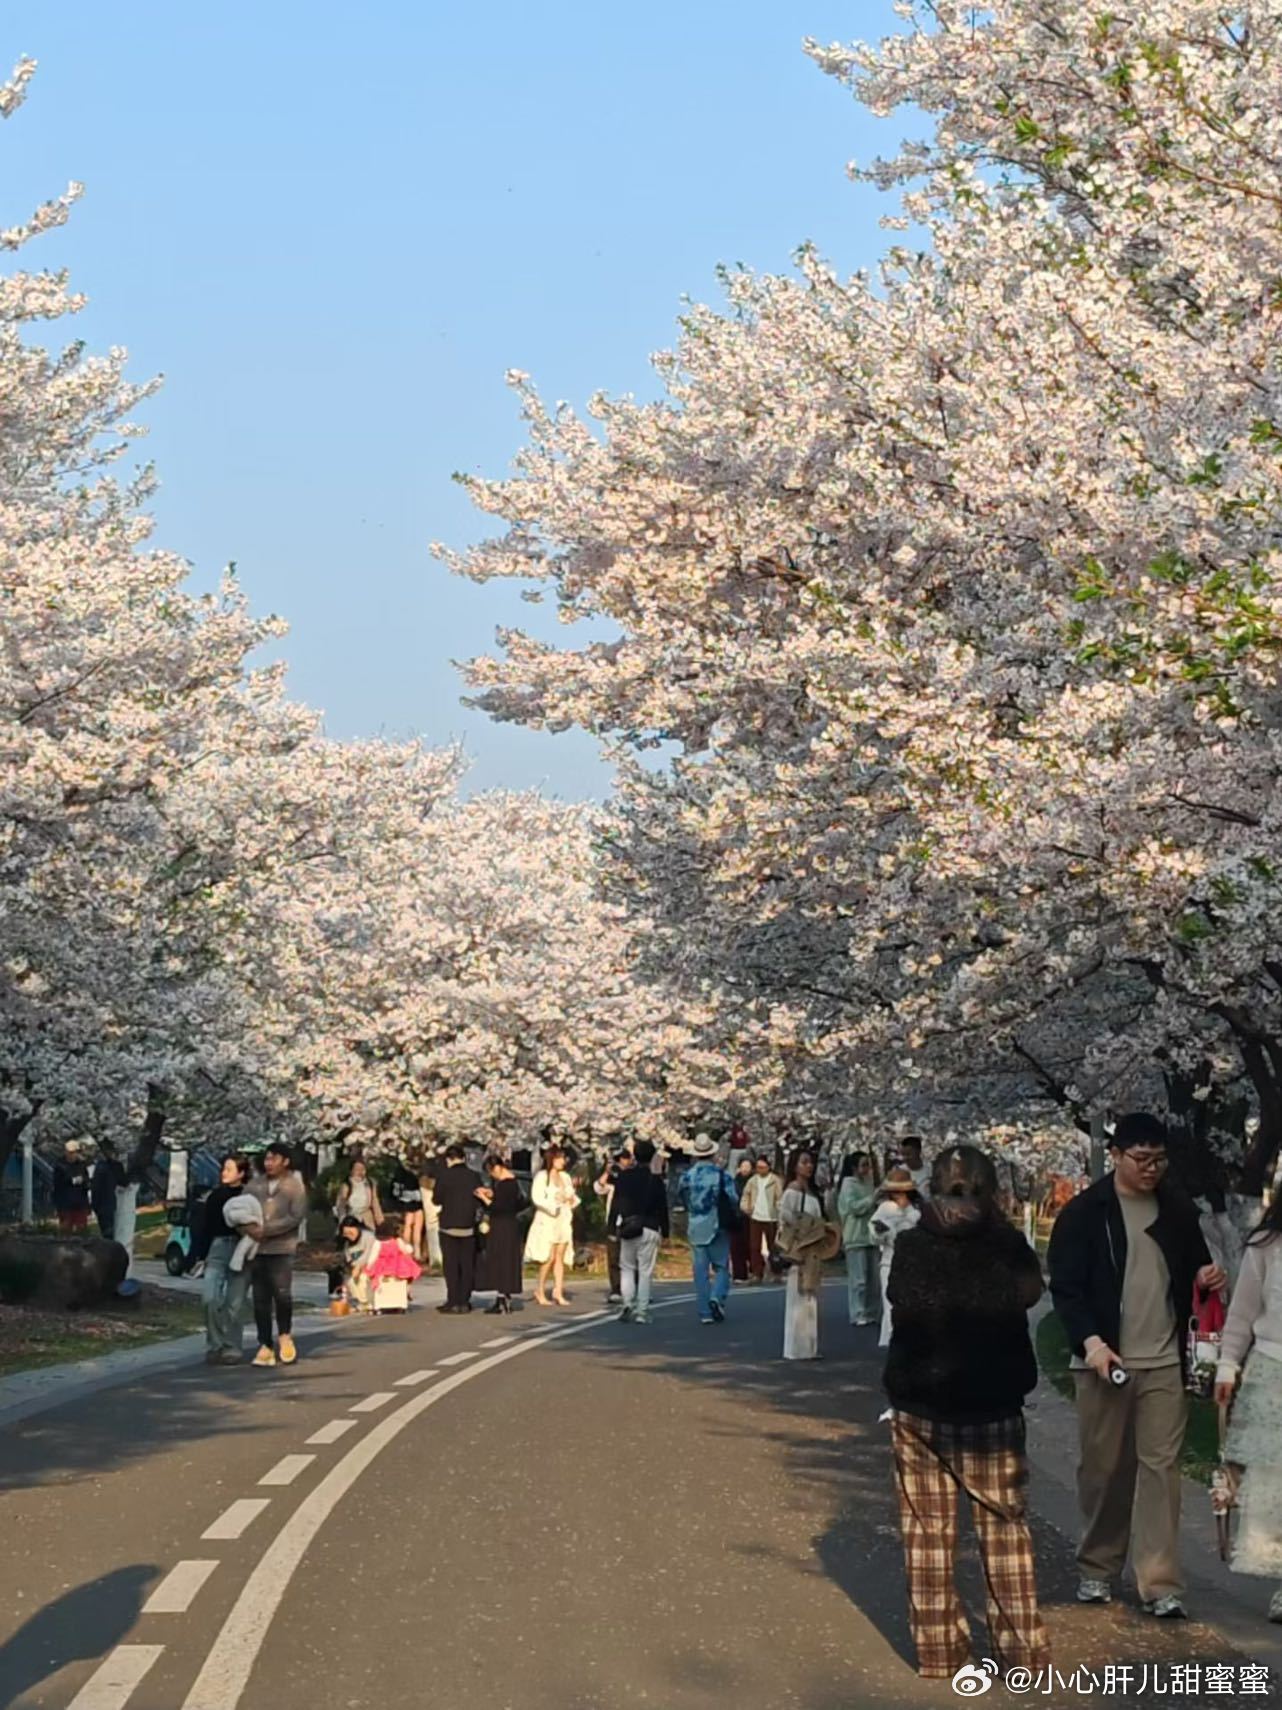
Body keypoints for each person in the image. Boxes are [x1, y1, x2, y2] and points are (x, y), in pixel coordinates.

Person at [1048, 1111, 1226, 1618]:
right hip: (1105, 1360)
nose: (1151, 1169)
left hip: (1163, 1360)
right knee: (1104, 1470)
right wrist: (1092, 1345)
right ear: (1116, 1155)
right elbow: (1067, 1289)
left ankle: (1160, 1582)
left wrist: (1209, 1278)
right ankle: (1097, 1569)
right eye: (1141, 1159)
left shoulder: (1175, 1209)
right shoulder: (1086, 1213)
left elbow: (1191, 1268)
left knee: (1160, 1471)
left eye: (1160, 1160)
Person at [884, 1145, 1050, 1681]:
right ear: (990, 1188)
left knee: (927, 1536)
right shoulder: (1008, 1244)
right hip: (993, 1410)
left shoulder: (912, 1244)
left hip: (920, 1411)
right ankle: (1022, 1651)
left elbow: (900, 1297)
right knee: (1005, 1532)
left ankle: (940, 1653)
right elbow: (1028, 1293)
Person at [1215, 1196, 1282, 1624]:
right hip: (1272, 1372)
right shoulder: (1267, 1246)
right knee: (1274, 1486)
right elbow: (1242, 1312)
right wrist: (1227, 1364)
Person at [189, 1154, 256, 1364]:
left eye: (229, 1169)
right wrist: (199, 1255)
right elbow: (205, 1227)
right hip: (218, 1247)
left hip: (243, 1248)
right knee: (210, 1297)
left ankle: (231, 1347)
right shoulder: (216, 1196)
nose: (224, 1173)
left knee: (234, 1302)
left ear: (241, 1173)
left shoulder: (251, 1196)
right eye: (223, 1169)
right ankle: (214, 1343)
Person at [247, 1143, 308, 1368]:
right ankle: (265, 1344)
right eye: (267, 1159)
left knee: (282, 1294)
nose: (269, 1163)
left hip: (281, 1249)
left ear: (285, 1161)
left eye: (274, 1159)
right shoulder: (254, 1185)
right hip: (256, 1249)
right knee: (260, 1299)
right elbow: (240, 1209)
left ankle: (285, 1335)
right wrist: (249, 1229)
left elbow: (296, 1216)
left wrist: (267, 1229)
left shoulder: (295, 1186)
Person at [676, 1133, 737, 1325]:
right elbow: (733, 1198)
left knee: (700, 1271)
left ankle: (704, 1312)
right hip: (718, 1223)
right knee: (721, 1267)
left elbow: (682, 1200)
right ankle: (717, 1297)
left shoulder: (687, 1177)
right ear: (712, 1153)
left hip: (696, 1225)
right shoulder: (722, 1175)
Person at [776, 1147, 831, 1360]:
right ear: (795, 1165)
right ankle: (796, 1348)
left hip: (813, 1248)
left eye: (810, 1162)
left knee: (811, 1295)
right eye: (804, 1162)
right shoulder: (792, 1190)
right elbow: (785, 1218)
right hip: (800, 1247)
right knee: (798, 1293)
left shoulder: (812, 1192)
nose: (809, 1166)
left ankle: (810, 1346)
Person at [609, 1139, 669, 1322]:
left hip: (629, 1226)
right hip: (650, 1227)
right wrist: (666, 1231)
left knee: (626, 1267)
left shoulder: (624, 1177)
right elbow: (663, 1207)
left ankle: (627, 1302)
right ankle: (642, 1311)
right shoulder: (655, 1180)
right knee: (645, 1271)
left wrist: (612, 1227)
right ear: (652, 1157)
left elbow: (616, 1203)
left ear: (634, 1155)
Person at [872, 1167, 922, 1347]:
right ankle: (892, 1339)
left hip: (913, 1262)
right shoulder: (885, 1208)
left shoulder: (916, 1210)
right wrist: (883, 1232)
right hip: (889, 1260)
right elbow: (873, 1231)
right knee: (890, 1303)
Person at [433, 1142, 485, 1313]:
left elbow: (437, 1199)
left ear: (449, 1159)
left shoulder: (444, 1175)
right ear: (463, 1158)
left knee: (451, 1265)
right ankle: (464, 1301)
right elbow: (479, 1199)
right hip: (468, 1226)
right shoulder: (474, 1176)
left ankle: (452, 1300)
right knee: (467, 1264)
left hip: (448, 1226)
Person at [527, 1143, 579, 1307]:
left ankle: (558, 1290)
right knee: (548, 1257)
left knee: (560, 1257)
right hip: (548, 1220)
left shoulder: (565, 1177)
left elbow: (571, 1195)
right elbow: (537, 1198)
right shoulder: (542, 1176)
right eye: (559, 1158)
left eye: (563, 1158)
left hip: (563, 1218)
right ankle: (540, 1289)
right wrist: (554, 1202)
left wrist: (570, 1200)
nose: (562, 1161)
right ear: (551, 1159)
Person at [477, 1153, 525, 1314]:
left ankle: (502, 1298)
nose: (492, 1176)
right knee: (508, 1261)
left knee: (500, 1261)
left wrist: (484, 1198)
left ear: (497, 1168)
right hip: (511, 1225)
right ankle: (504, 1297)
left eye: (491, 1172)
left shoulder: (505, 1184)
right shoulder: (514, 1183)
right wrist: (491, 1194)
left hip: (501, 1226)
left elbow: (498, 1207)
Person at [837, 1151, 880, 1327]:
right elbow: (854, 1208)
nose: (867, 1169)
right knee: (859, 1279)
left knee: (872, 1279)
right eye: (863, 1165)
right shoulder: (848, 1185)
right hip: (855, 1236)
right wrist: (873, 1198)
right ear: (854, 1168)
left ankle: (871, 1311)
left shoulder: (869, 1184)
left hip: (870, 1235)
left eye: (868, 1165)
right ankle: (858, 1312)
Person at [594, 1147, 630, 1305]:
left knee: (630, 1258)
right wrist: (608, 1171)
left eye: (625, 1159)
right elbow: (598, 1187)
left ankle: (631, 1288)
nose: (623, 1162)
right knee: (614, 1257)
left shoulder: (633, 1177)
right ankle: (616, 1289)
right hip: (614, 1223)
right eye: (620, 1159)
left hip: (630, 1222)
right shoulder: (612, 1180)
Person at [364, 1216, 422, 1312]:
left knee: (380, 1281)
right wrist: (410, 1248)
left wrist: (369, 1266)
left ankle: (381, 1301)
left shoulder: (378, 1242)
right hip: (397, 1266)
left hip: (382, 1267)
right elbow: (406, 1250)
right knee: (406, 1278)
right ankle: (405, 1294)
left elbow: (373, 1256)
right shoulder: (397, 1240)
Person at [742, 1153, 782, 1283]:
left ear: (769, 1167)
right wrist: (745, 1207)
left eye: (763, 1167)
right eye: (758, 1167)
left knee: (773, 1247)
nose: (760, 1170)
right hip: (755, 1216)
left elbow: (779, 1198)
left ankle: (776, 1272)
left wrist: (779, 1211)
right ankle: (757, 1273)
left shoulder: (775, 1180)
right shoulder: (752, 1181)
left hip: (771, 1217)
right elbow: (745, 1196)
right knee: (754, 1247)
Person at [388, 1156, 425, 1260]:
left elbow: (395, 1191)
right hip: (410, 1202)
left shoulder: (401, 1174)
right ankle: (410, 1250)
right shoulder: (404, 1174)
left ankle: (414, 1251)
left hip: (412, 1202)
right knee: (410, 1226)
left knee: (415, 1226)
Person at [52, 1140, 91, 1235]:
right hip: (65, 1204)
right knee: (66, 1231)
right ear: (65, 1152)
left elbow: (86, 1180)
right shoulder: (60, 1166)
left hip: (80, 1203)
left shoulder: (81, 1165)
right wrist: (74, 1180)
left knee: (81, 1230)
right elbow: (59, 1184)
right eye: (70, 1152)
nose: (72, 1155)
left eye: (74, 1152)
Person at [334, 1157, 382, 1232]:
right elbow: (341, 1204)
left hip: (366, 1218)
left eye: (362, 1169)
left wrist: (379, 1219)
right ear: (351, 1171)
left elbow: (375, 1201)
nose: (360, 1172)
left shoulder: (370, 1183)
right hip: (351, 1218)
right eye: (357, 1169)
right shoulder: (346, 1185)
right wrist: (342, 1219)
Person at [90, 1141, 125, 1241]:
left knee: (107, 1231)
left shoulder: (100, 1167)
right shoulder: (114, 1166)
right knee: (109, 1230)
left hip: (103, 1204)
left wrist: (94, 1204)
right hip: (108, 1203)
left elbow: (95, 1187)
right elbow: (123, 1181)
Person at [728, 1155, 754, 1283]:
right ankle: (739, 1274)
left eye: (748, 1166)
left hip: (751, 1217)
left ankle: (755, 1270)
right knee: (736, 1246)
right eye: (743, 1166)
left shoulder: (754, 1182)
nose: (745, 1169)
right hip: (736, 1217)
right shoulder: (734, 1182)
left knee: (751, 1245)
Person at [420, 1155, 443, 1272]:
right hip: (434, 1196)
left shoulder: (424, 1180)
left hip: (431, 1195)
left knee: (432, 1227)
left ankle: (436, 1260)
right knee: (434, 1227)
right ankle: (437, 1260)